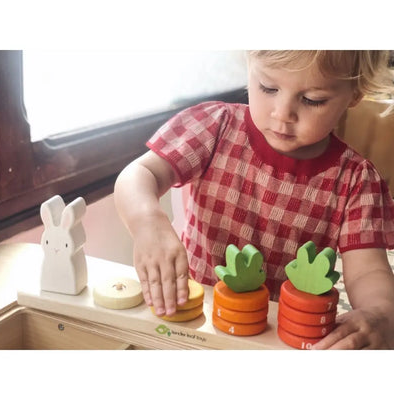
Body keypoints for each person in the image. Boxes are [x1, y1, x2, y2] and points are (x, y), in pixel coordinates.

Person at [114, 50, 394, 349]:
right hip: (193, 317)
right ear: (250, 67)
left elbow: (368, 271)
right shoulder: (214, 127)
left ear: (355, 93)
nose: (282, 113)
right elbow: (139, 174)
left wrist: (383, 314)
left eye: (313, 99)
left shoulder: (356, 180)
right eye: (268, 88)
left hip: (275, 337)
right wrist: (147, 222)